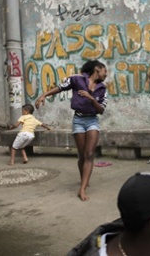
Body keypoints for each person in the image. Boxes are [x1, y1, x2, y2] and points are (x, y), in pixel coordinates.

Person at [35, 59, 108, 201]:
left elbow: (101, 110)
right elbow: (60, 87)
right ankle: (84, 181)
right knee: (82, 156)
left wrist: (91, 99)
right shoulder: (77, 79)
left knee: (89, 154)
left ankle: (82, 189)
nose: (106, 74)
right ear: (97, 69)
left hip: (92, 121)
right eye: (105, 71)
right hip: (78, 121)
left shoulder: (102, 89)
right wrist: (44, 95)